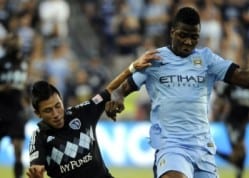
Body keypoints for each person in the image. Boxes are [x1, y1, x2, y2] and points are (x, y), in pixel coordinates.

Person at [105, 6, 249, 178]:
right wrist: (118, 99)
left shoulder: (207, 59)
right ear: (172, 33)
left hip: (203, 147)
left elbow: (247, 79)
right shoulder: (154, 59)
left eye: (194, 37)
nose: (188, 42)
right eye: (183, 35)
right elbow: (122, 90)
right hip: (171, 144)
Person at [26, 50, 160, 178]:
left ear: (62, 101)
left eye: (58, 106)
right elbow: (36, 168)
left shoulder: (81, 113)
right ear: (38, 114)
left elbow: (108, 91)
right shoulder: (39, 136)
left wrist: (132, 68)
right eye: (48, 110)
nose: (56, 114)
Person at [0, 33, 29, 178]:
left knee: (18, 147)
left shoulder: (24, 62)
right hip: (2, 106)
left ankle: (18, 176)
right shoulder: (1, 62)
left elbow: (25, 84)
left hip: (17, 107)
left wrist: (27, 99)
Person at [215, 83, 249, 178]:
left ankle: (216, 152)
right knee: (240, 150)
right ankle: (238, 174)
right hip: (232, 122)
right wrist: (220, 110)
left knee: (239, 154)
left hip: (243, 122)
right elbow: (220, 97)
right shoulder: (231, 84)